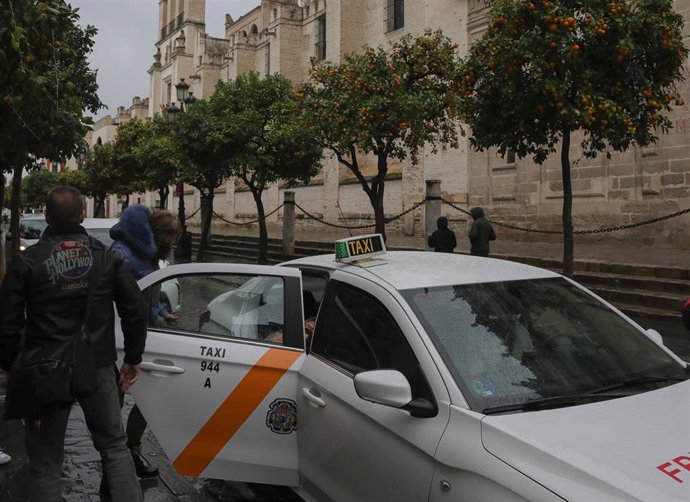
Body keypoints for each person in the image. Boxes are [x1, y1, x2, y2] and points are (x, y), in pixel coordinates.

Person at [0, 186, 147, 502]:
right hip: (97, 368)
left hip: (43, 369)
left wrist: (13, 366)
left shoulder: (27, 262)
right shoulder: (106, 257)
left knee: (45, 462)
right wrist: (132, 358)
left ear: (47, 215)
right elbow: (135, 309)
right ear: (82, 214)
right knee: (114, 446)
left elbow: (7, 323)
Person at [108, 205, 180, 480]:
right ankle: (114, 462)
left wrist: (162, 314)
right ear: (151, 232)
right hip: (119, 339)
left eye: (174, 235)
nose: (169, 241)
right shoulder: (123, 254)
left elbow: (148, 294)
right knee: (116, 398)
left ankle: (129, 450)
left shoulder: (148, 254)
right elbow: (117, 300)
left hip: (142, 336)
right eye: (165, 234)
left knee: (148, 399)